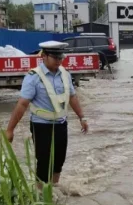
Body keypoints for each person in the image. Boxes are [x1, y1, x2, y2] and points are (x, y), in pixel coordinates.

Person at [6, 41, 88, 187]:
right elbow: (22, 104)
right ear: (43, 56)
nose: (59, 61)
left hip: (61, 124)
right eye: (55, 57)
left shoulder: (65, 74)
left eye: (61, 58)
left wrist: (82, 117)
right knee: (44, 163)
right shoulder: (33, 77)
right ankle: (41, 196)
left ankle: (54, 190)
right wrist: (10, 129)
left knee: (59, 162)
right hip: (41, 126)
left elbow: (72, 97)